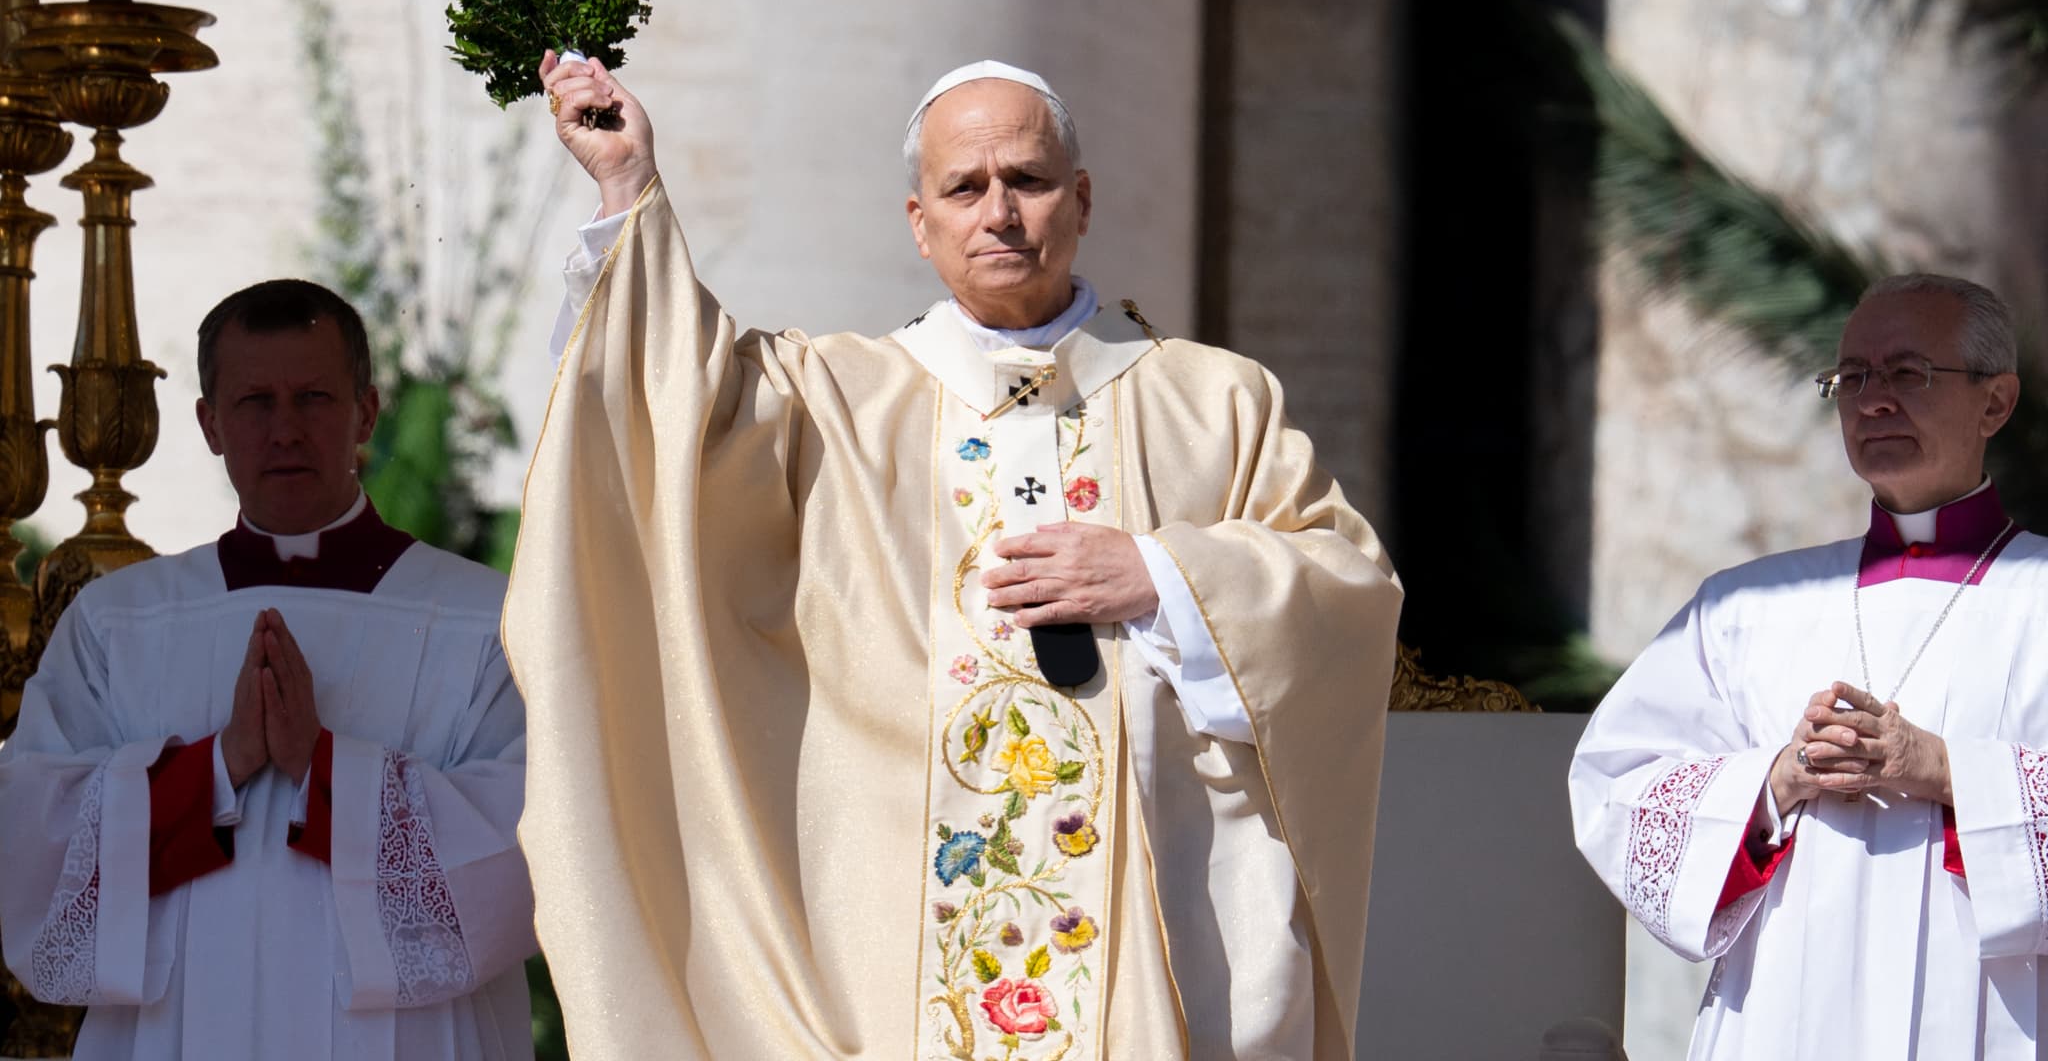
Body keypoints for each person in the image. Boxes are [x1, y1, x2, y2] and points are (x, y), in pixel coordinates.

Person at [504, 55, 1402, 1060]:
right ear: (918, 222)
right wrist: (628, 186)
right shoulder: (829, 400)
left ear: (1083, 198)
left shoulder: (1212, 402)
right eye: (963, 189)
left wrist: (1161, 574)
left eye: (1025, 179)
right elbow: (661, 408)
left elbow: (1349, 589)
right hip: (892, 953)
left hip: (1158, 958)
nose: (999, 213)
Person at [0, 280, 537, 1061]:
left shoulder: (487, 622)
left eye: (315, 397)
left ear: (366, 413)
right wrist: (215, 770)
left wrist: (323, 770)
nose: (285, 429)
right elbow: (32, 850)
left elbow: (530, 846)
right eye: (254, 402)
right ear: (210, 424)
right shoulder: (120, 621)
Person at [1570, 274, 2048, 1056]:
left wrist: (1949, 771)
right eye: (1852, 377)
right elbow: (1616, 789)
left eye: (1906, 373)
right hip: (1783, 1011)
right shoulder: (1742, 607)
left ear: (1995, 402)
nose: (1872, 401)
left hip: (1993, 1020)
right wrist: (1776, 782)